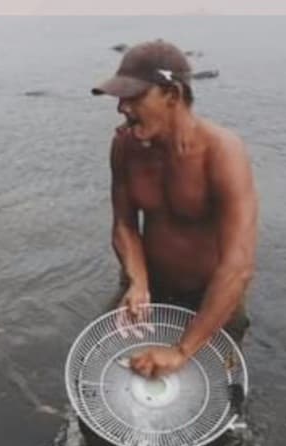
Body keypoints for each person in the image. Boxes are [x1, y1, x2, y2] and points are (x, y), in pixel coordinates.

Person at [92, 40, 258, 378]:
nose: (121, 108)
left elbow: (238, 267)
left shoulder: (222, 152)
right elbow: (124, 225)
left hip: (212, 298)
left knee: (215, 393)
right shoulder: (125, 146)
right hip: (151, 288)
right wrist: (137, 281)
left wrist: (182, 350)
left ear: (172, 95)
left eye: (134, 97)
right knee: (105, 371)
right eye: (120, 97)